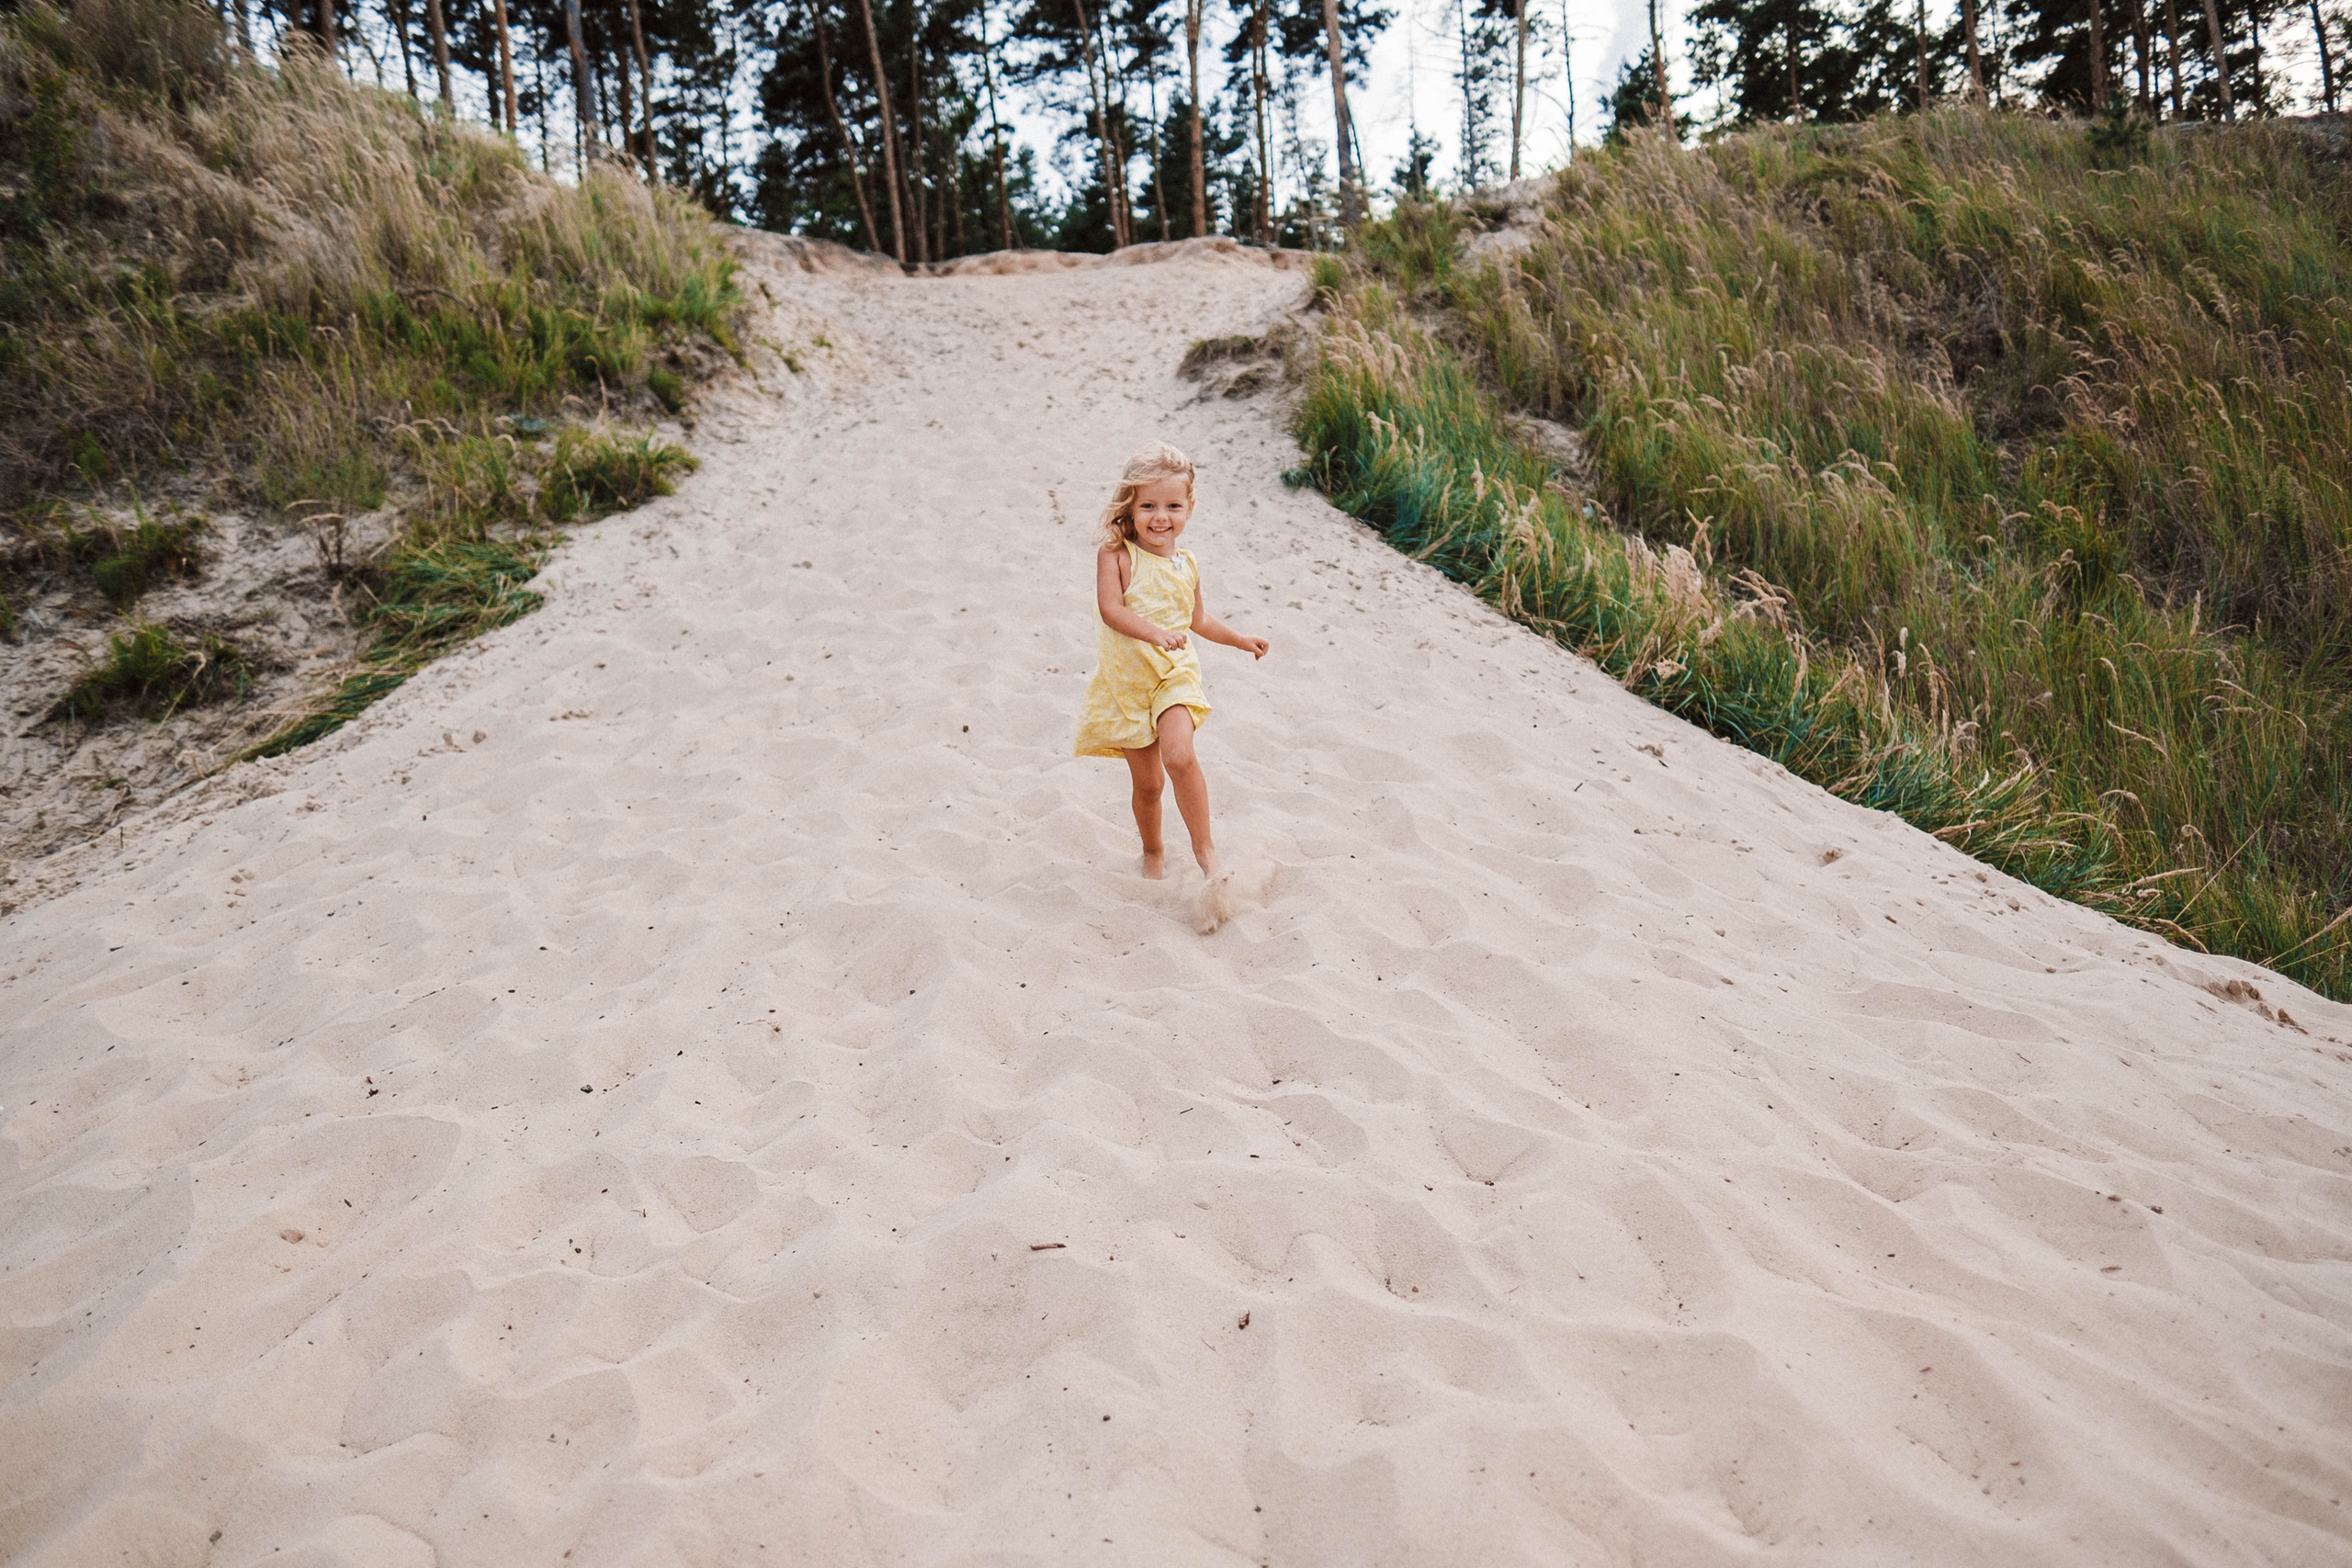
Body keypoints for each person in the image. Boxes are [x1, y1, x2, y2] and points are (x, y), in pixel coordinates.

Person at [1072, 443, 1269, 890]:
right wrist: (1155, 633)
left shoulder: (1188, 564)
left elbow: (1198, 619)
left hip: (1174, 676)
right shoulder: (1116, 555)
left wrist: (1240, 640)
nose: (1161, 517)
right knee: (1148, 787)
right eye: (1148, 506)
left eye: (1173, 506)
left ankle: (1206, 852)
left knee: (1179, 757)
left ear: (1190, 508)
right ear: (1131, 506)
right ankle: (1153, 850)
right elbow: (1111, 611)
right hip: (1127, 684)